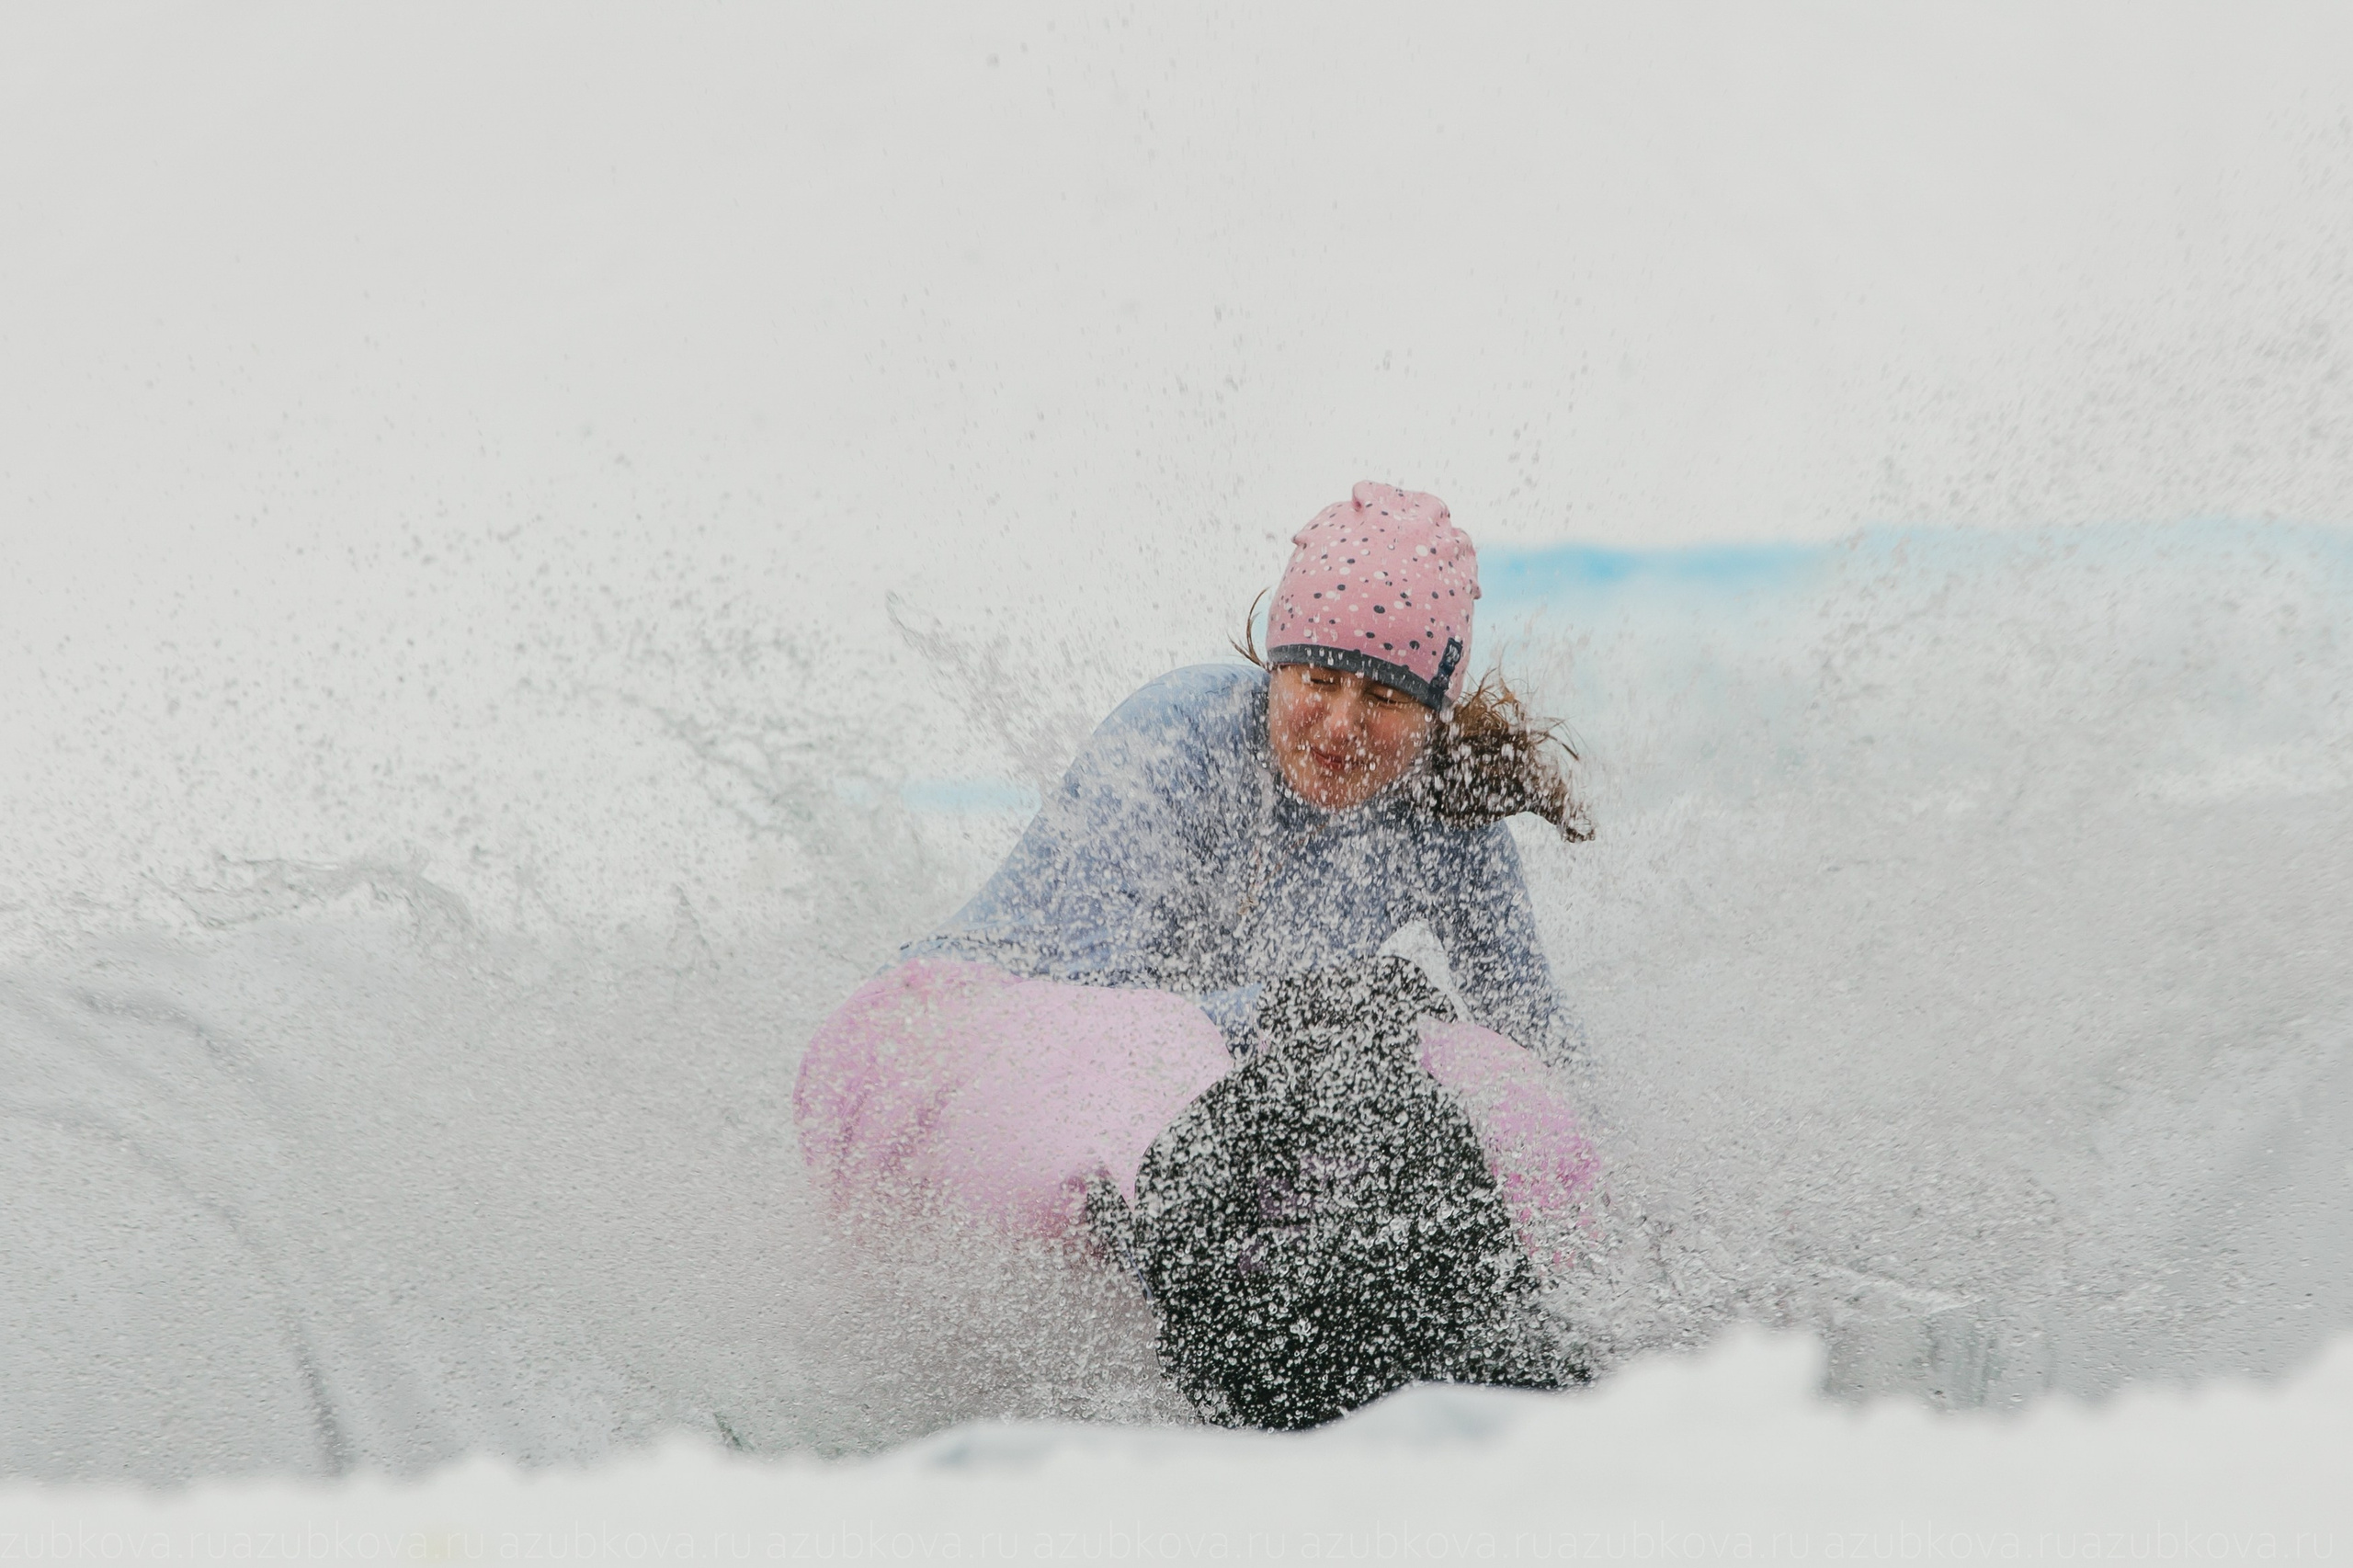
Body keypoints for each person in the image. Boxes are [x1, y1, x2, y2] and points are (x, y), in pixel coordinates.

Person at [795, 482, 1599, 1427]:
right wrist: (1303, 1005)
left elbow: (1537, 1040)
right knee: (1202, 1046)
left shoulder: (1450, 826)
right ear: (1272, 661)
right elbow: (1099, 990)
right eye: (1315, 679)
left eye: (1381, 696)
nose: (1339, 724)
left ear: (1434, 710)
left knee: (1428, 1076)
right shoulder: (1180, 731)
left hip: (1164, 1100)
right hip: (938, 1039)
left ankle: (1439, 1377)